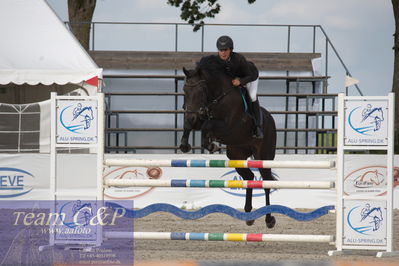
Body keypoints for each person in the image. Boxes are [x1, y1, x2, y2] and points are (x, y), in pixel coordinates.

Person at [215, 35, 263, 139]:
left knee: (252, 96)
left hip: (249, 77)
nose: (223, 53)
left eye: (225, 50)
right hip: (234, 81)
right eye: (220, 50)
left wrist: (240, 81)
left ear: (230, 50)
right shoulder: (216, 61)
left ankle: (257, 126)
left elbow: (250, 75)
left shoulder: (239, 59)